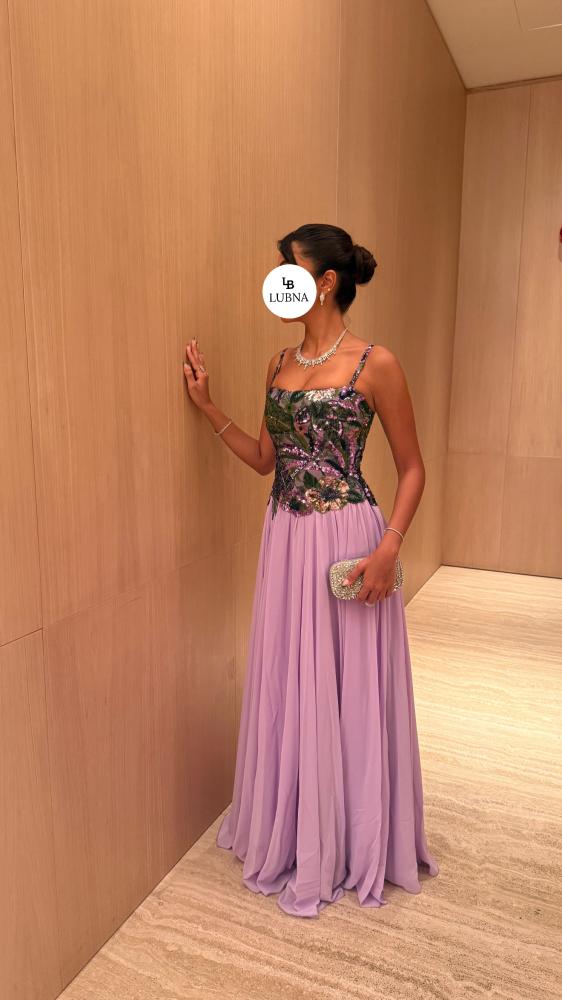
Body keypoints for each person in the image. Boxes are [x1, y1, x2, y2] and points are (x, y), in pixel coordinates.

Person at [183, 222, 439, 918]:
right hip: (285, 538)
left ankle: (352, 840)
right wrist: (208, 406)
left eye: (288, 269)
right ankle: (299, 827)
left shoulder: (376, 363)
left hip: (350, 536)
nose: (278, 282)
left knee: (346, 684)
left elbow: (414, 468)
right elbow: (266, 461)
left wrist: (389, 546)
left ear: (324, 281)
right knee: (291, 678)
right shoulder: (277, 363)